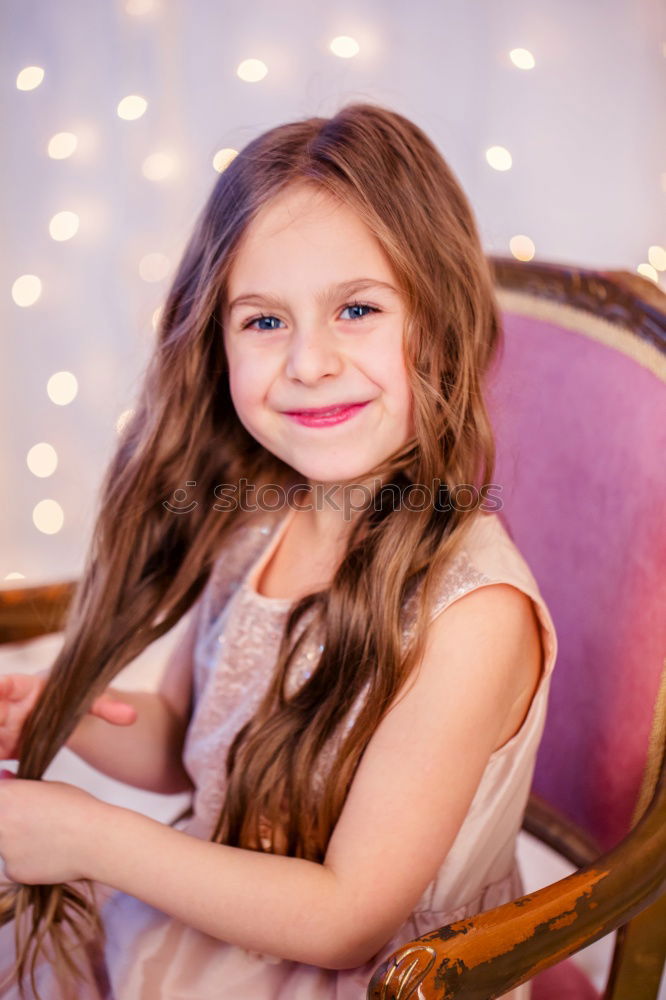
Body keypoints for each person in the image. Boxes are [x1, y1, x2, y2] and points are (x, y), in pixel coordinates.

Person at [0, 101, 557, 999]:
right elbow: (190, 740)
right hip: (216, 926)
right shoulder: (256, 519)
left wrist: (91, 837)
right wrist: (66, 713)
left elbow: (348, 921)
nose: (308, 362)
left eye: (358, 310)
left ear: (442, 326)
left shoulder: (472, 616)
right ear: (215, 340)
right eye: (264, 321)